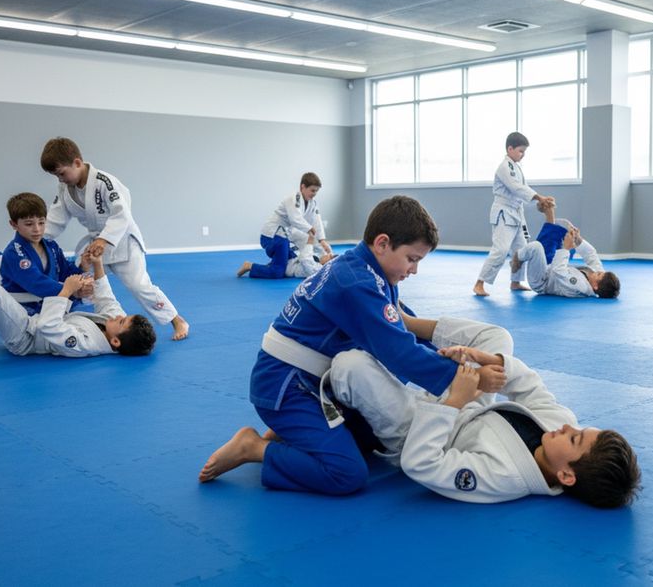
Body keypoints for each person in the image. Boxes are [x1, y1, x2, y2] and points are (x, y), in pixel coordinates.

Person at [198, 196, 507, 496]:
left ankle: (289, 433)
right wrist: (468, 378)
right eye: (412, 259)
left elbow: (400, 328)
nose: (414, 270)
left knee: (371, 441)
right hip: (285, 386)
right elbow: (400, 352)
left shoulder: (369, 271)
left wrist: (453, 355)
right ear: (383, 243)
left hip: (311, 381)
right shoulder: (356, 282)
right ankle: (254, 448)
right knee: (347, 472)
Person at [328, 314, 640, 507]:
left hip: (419, 431)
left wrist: (455, 401)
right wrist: (483, 359)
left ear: (566, 476)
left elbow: (421, 463)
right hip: (471, 404)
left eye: (575, 440)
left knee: (350, 364)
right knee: (499, 338)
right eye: (580, 431)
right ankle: (405, 322)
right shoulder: (561, 424)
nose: (570, 429)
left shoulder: (506, 479)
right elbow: (529, 384)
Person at [39, 137, 190, 340]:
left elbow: (122, 213)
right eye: (56, 176)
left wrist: (104, 239)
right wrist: (38, 236)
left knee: (139, 286)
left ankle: (176, 320)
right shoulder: (65, 189)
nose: (60, 179)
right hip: (95, 244)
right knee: (81, 283)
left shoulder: (104, 182)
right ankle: (69, 321)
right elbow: (56, 217)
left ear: (76, 162)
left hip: (123, 241)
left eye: (62, 173)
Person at [0, 248, 156, 361]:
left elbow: (49, 326)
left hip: (26, 339)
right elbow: (107, 299)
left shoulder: (86, 344)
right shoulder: (114, 327)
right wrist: (98, 264)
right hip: (31, 323)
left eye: (121, 322)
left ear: (115, 342)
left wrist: (65, 291)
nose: (117, 317)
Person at [473, 132, 555, 297]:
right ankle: (479, 283)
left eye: (524, 152)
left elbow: (522, 189)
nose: (522, 155)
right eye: (520, 151)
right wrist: (539, 197)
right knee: (501, 250)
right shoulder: (504, 167)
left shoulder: (516, 166)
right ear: (510, 148)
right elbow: (516, 188)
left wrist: (540, 201)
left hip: (517, 213)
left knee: (521, 250)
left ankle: (516, 281)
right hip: (504, 213)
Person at [0, 192, 90, 314]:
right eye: (29, 224)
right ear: (14, 224)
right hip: (23, 311)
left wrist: (81, 268)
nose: (37, 229)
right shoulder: (14, 253)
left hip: (50, 304)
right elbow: (36, 283)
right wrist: (71, 290)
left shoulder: (51, 245)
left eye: (41, 222)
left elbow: (65, 271)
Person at [510, 202, 619, 299]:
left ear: (595, 286)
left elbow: (558, 271)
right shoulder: (599, 276)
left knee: (536, 246)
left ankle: (517, 258)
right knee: (564, 236)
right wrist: (578, 239)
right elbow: (591, 254)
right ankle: (549, 214)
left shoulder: (580, 286)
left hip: (542, 282)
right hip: (550, 267)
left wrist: (566, 248)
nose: (598, 272)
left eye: (599, 275)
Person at [237, 172, 333, 279]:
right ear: (303, 187)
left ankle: (276, 264)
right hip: (273, 236)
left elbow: (317, 220)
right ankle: (250, 266)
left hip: (286, 236)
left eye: (316, 191)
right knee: (278, 273)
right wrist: (310, 229)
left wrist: (322, 240)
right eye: (312, 190)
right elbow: (295, 219)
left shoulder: (312, 203)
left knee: (303, 245)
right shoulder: (293, 198)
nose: (314, 193)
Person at [236, 226, 333, 279]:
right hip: (287, 250)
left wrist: (310, 242)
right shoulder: (319, 258)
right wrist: (323, 243)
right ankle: (250, 265)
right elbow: (316, 247)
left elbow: (305, 259)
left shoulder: (317, 270)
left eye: (329, 256)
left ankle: (250, 266)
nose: (326, 254)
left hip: (286, 254)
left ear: (327, 264)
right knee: (277, 272)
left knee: (277, 272)